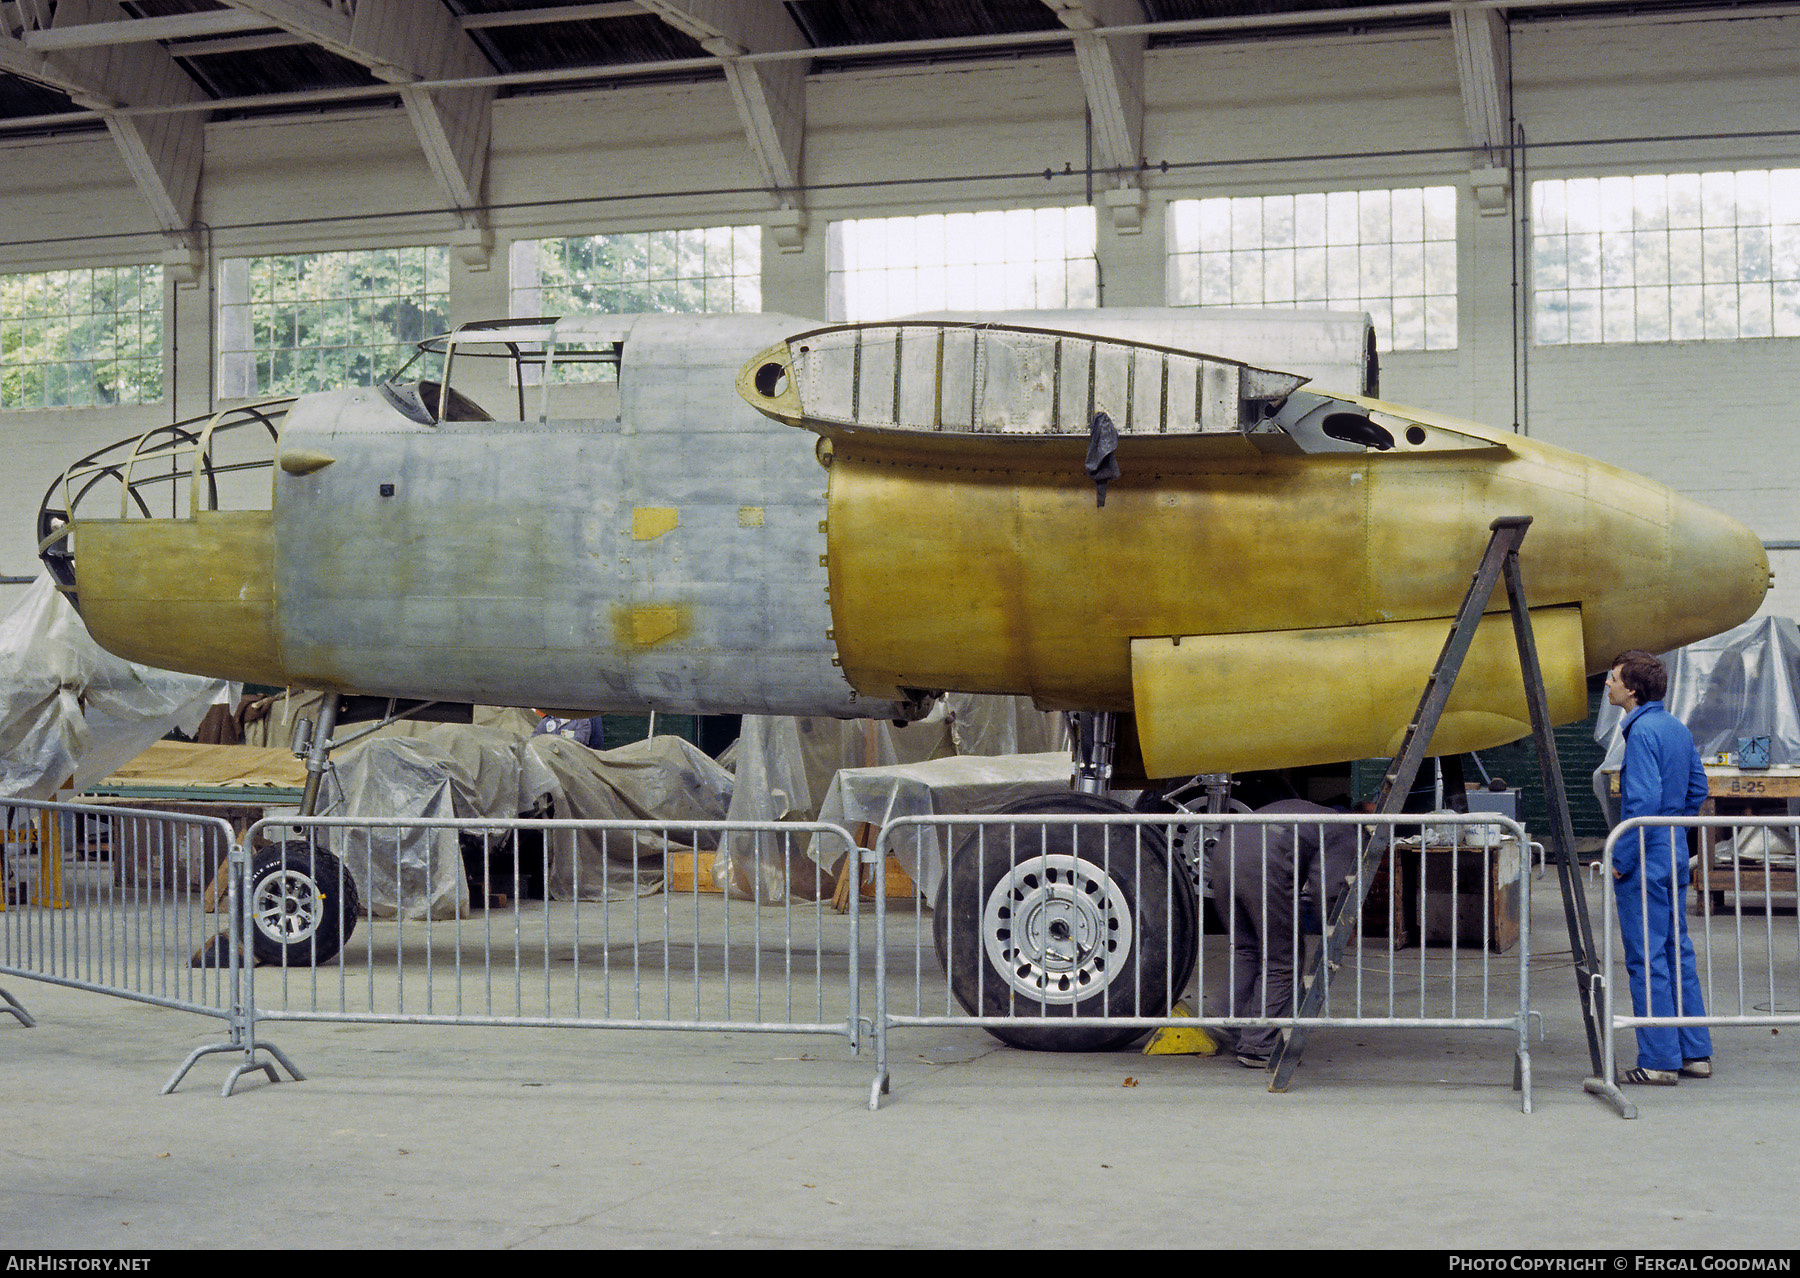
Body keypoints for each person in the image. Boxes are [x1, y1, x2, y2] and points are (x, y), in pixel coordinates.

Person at [1607, 650, 1713, 1085]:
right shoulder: (1675, 728)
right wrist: (1675, 825)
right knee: (1677, 950)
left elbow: (1642, 804)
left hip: (1646, 852)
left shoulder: (1642, 732)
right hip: (1671, 848)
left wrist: (1621, 857)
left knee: (1646, 956)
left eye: (1613, 679)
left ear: (1632, 689)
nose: (1608, 685)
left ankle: (1658, 1060)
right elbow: (1698, 788)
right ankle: (1695, 1053)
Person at [1207, 798, 1360, 1068]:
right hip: (1263, 864)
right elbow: (1328, 888)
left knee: (1247, 948)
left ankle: (1232, 1022)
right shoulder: (1346, 828)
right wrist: (1340, 927)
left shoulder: (1310, 809)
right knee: (1283, 958)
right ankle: (1259, 1045)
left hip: (1225, 854)